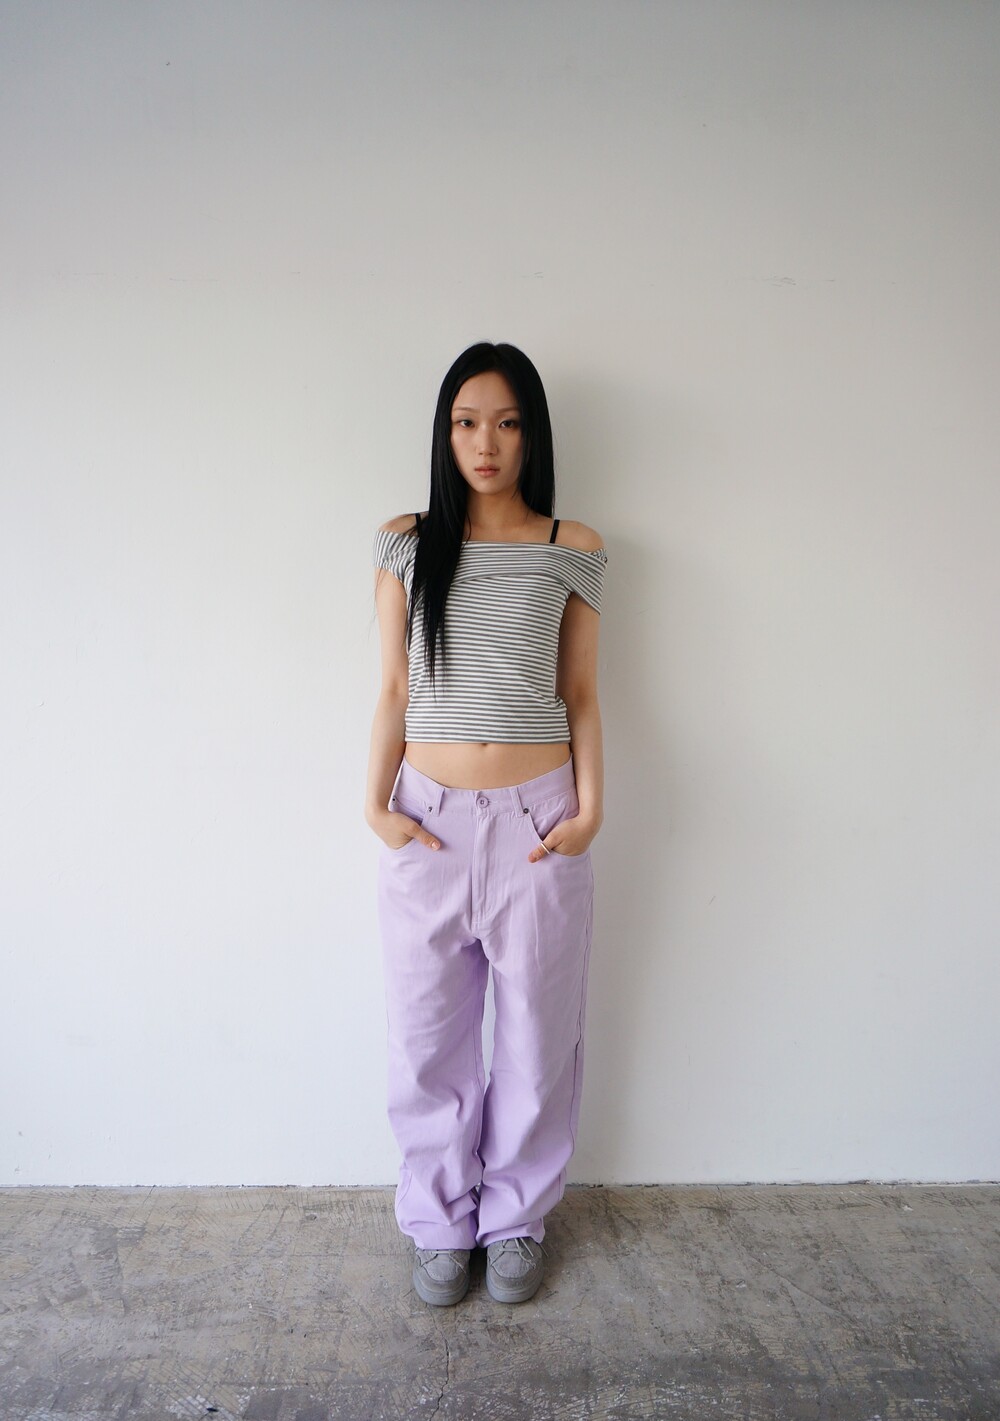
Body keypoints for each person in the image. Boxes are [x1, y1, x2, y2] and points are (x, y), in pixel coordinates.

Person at [365, 341, 608, 1306]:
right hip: (425, 820)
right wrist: (374, 806)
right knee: (426, 1035)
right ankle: (438, 1218)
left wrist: (592, 808)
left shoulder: (570, 546)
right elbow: (393, 688)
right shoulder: (406, 541)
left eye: (507, 423)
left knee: (539, 1034)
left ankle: (515, 1218)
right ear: (445, 432)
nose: (486, 442)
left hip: (539, 823)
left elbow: (581, 693)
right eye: (467, 422)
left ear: (531, 434)